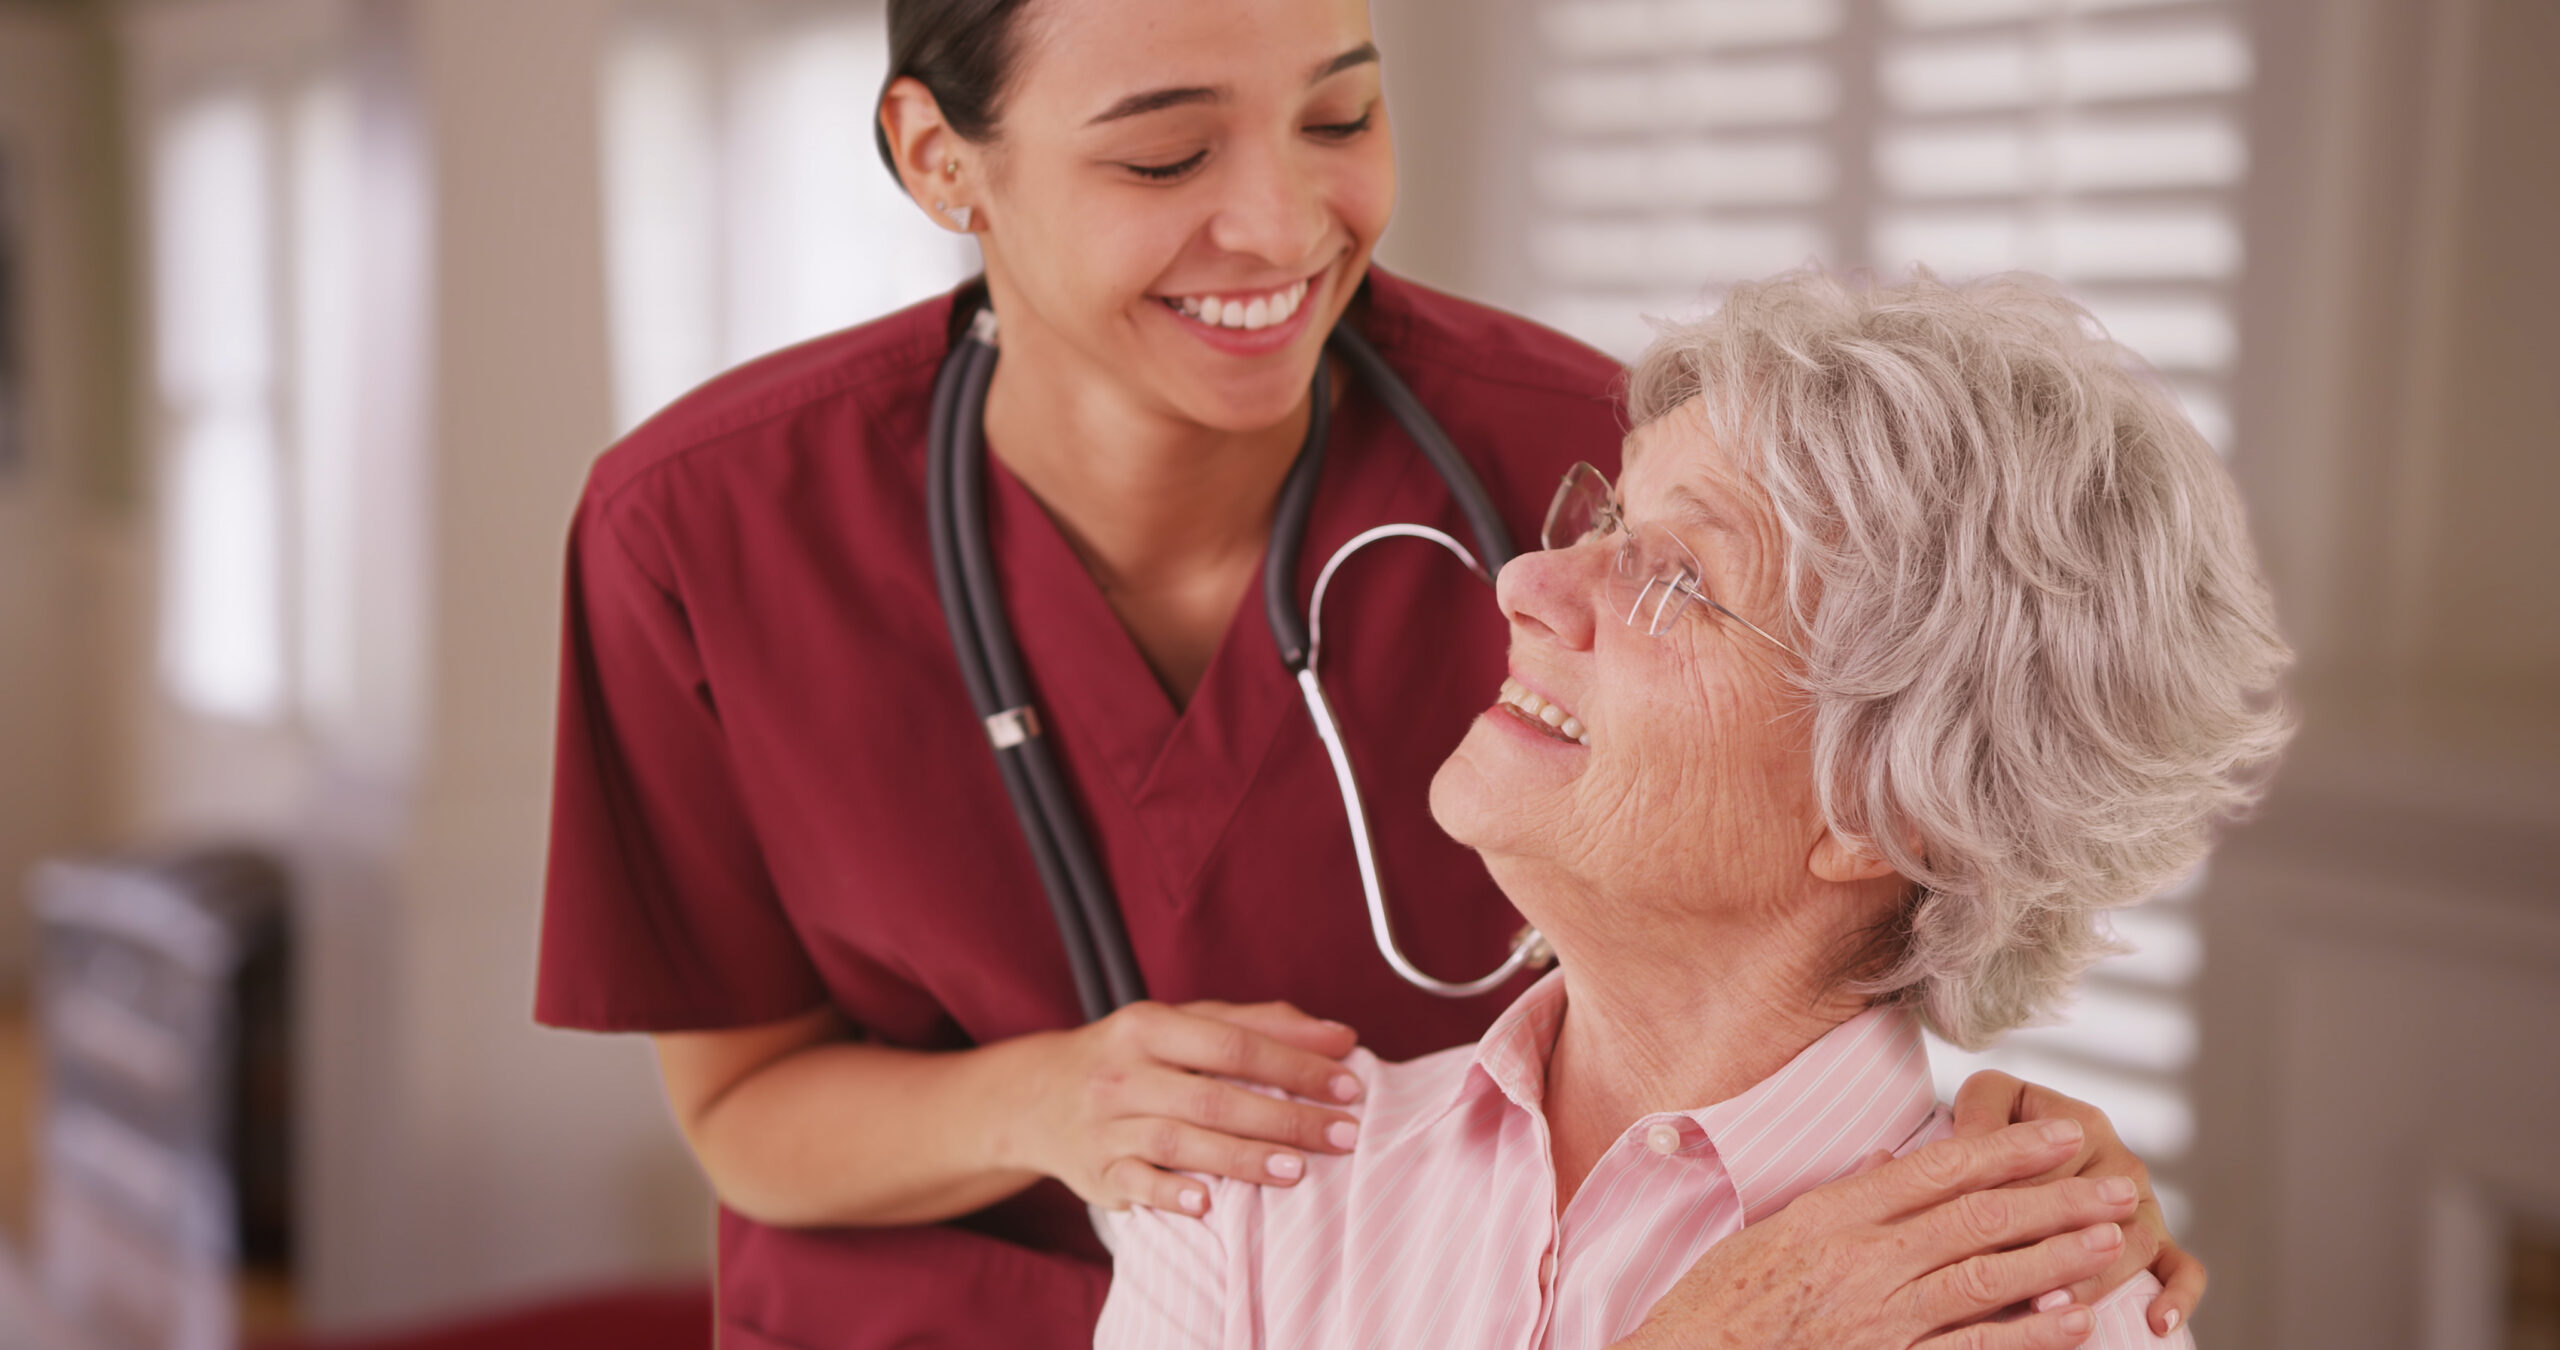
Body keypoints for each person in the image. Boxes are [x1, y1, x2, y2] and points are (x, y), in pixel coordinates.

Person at [532, 0, 2202, 1344]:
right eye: (1165, 151)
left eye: (1340, 116)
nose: (1279, 217)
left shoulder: (1571, 454)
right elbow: (741, 1105)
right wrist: (1057, 1099)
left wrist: (1997, 1177)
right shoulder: (700, 528)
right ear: (940, 158)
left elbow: (1894, 787)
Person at [1094, 267, 2292, 1350]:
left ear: (1879, 805)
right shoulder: (1250, 1183)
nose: (1526, 583)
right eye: (1610, 520)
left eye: (1677, 580)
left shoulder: (2040, 1325)